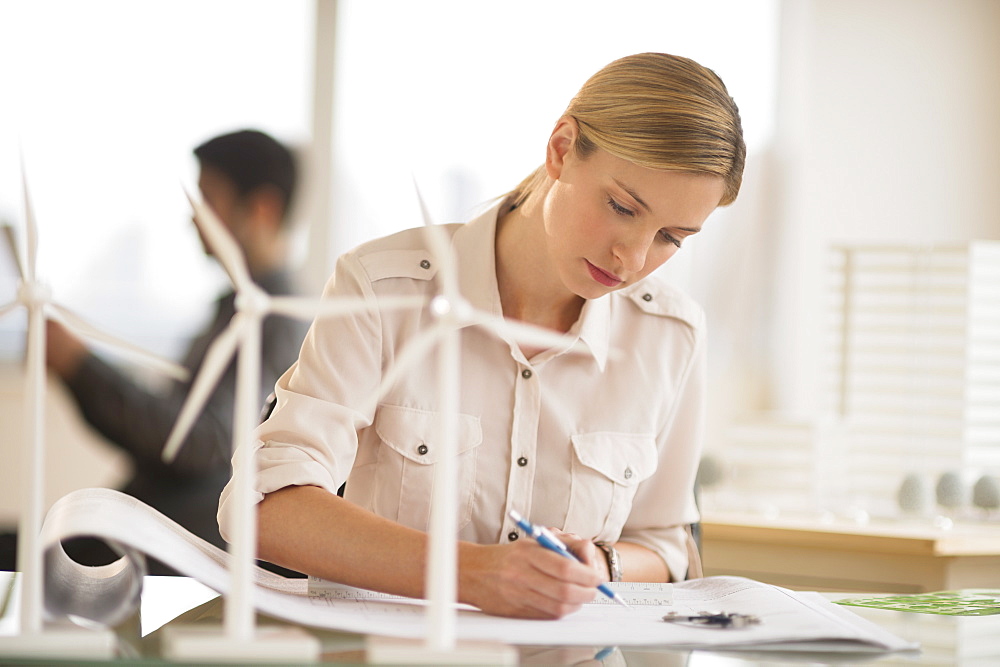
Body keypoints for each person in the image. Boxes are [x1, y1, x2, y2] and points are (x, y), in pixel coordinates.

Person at [220, 53, 745, 618]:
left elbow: (666, 545)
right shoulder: (380, 287)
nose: (634, 258)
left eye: (672, 237)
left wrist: (599, 567)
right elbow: (264, 504)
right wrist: (473, 575)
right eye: (621, 207)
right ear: (562, 149)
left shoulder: (672, 334)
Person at [41, 129, 309, 572]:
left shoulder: (271, 320)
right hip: (152, 529)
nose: (193, 218)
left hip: (182, 550)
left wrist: (81, 366)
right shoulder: (235, 311)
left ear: (262, 208)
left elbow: (202, 443)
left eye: (209, 198)